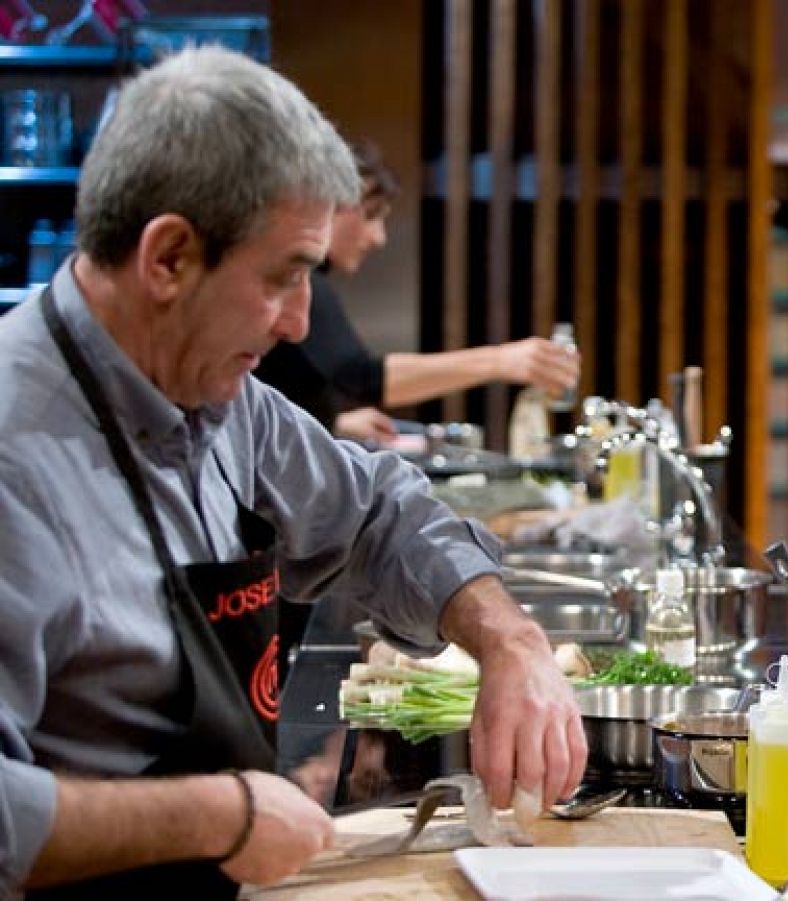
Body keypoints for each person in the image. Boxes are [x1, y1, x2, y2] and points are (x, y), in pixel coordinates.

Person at [0, 47, 585, 897]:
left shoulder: (224, 404)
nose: (302, 322)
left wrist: (510, 640)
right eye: (283, 277)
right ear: (167, 258)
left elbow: (381, 512)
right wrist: (222, 817)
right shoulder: (16, 456)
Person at [253, 140, 579, 444]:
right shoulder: (305, 279)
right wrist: (500, 361)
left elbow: (279, 394)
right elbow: (361, 377)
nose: (378, 237)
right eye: (371, 215)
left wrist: (332, 423)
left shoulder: (310, 282)